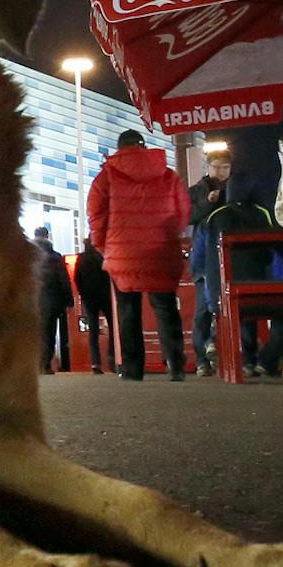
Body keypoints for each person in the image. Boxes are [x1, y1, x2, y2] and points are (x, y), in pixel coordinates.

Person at [88, 130, 191, 381]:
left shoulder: (106, 178)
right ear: (143, 147)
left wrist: (104, 246)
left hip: (122, 250)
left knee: (127, 310)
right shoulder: (168, 175)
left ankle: (133, 370)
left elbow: (96, 215)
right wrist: (170, 236)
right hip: (161, 248)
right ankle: (176, 365)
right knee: (166, 307)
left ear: (119, 148)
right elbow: (183, 211)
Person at [188, 161, 283, 379]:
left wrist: (201, 276)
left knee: (226, 308)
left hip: (220, 294)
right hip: (263, 291)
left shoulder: (212, 218)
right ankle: (265, 361)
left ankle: (216, 344)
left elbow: (198, 258)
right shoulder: (265, 215)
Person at [31, 226, 74, 374]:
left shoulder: (27, 256)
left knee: (35, 332)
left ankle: (36, 364)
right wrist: (69, 301)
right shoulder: (55, 257)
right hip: (52, 301)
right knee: (49, 333)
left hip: (32, 300)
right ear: (47, 236)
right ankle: (45, 365)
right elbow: (64, 280)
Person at [73, 243, 113, 375]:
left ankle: (96, 363)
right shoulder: (104, 255)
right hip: (106, 297)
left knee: (93, 332)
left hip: (89, 299)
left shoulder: (82, 258)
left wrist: (83, 294)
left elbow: (77, 278)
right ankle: (113, 359)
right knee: (113, 329)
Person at [189, 149, 233, 225]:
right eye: (216, 167)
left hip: (232, 234)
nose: (221, 171)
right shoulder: (195, 191)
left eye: (225, 167)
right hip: (205, 235)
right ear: (207, 166)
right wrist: (207, 202)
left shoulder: (239, 189)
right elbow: (186, 218)